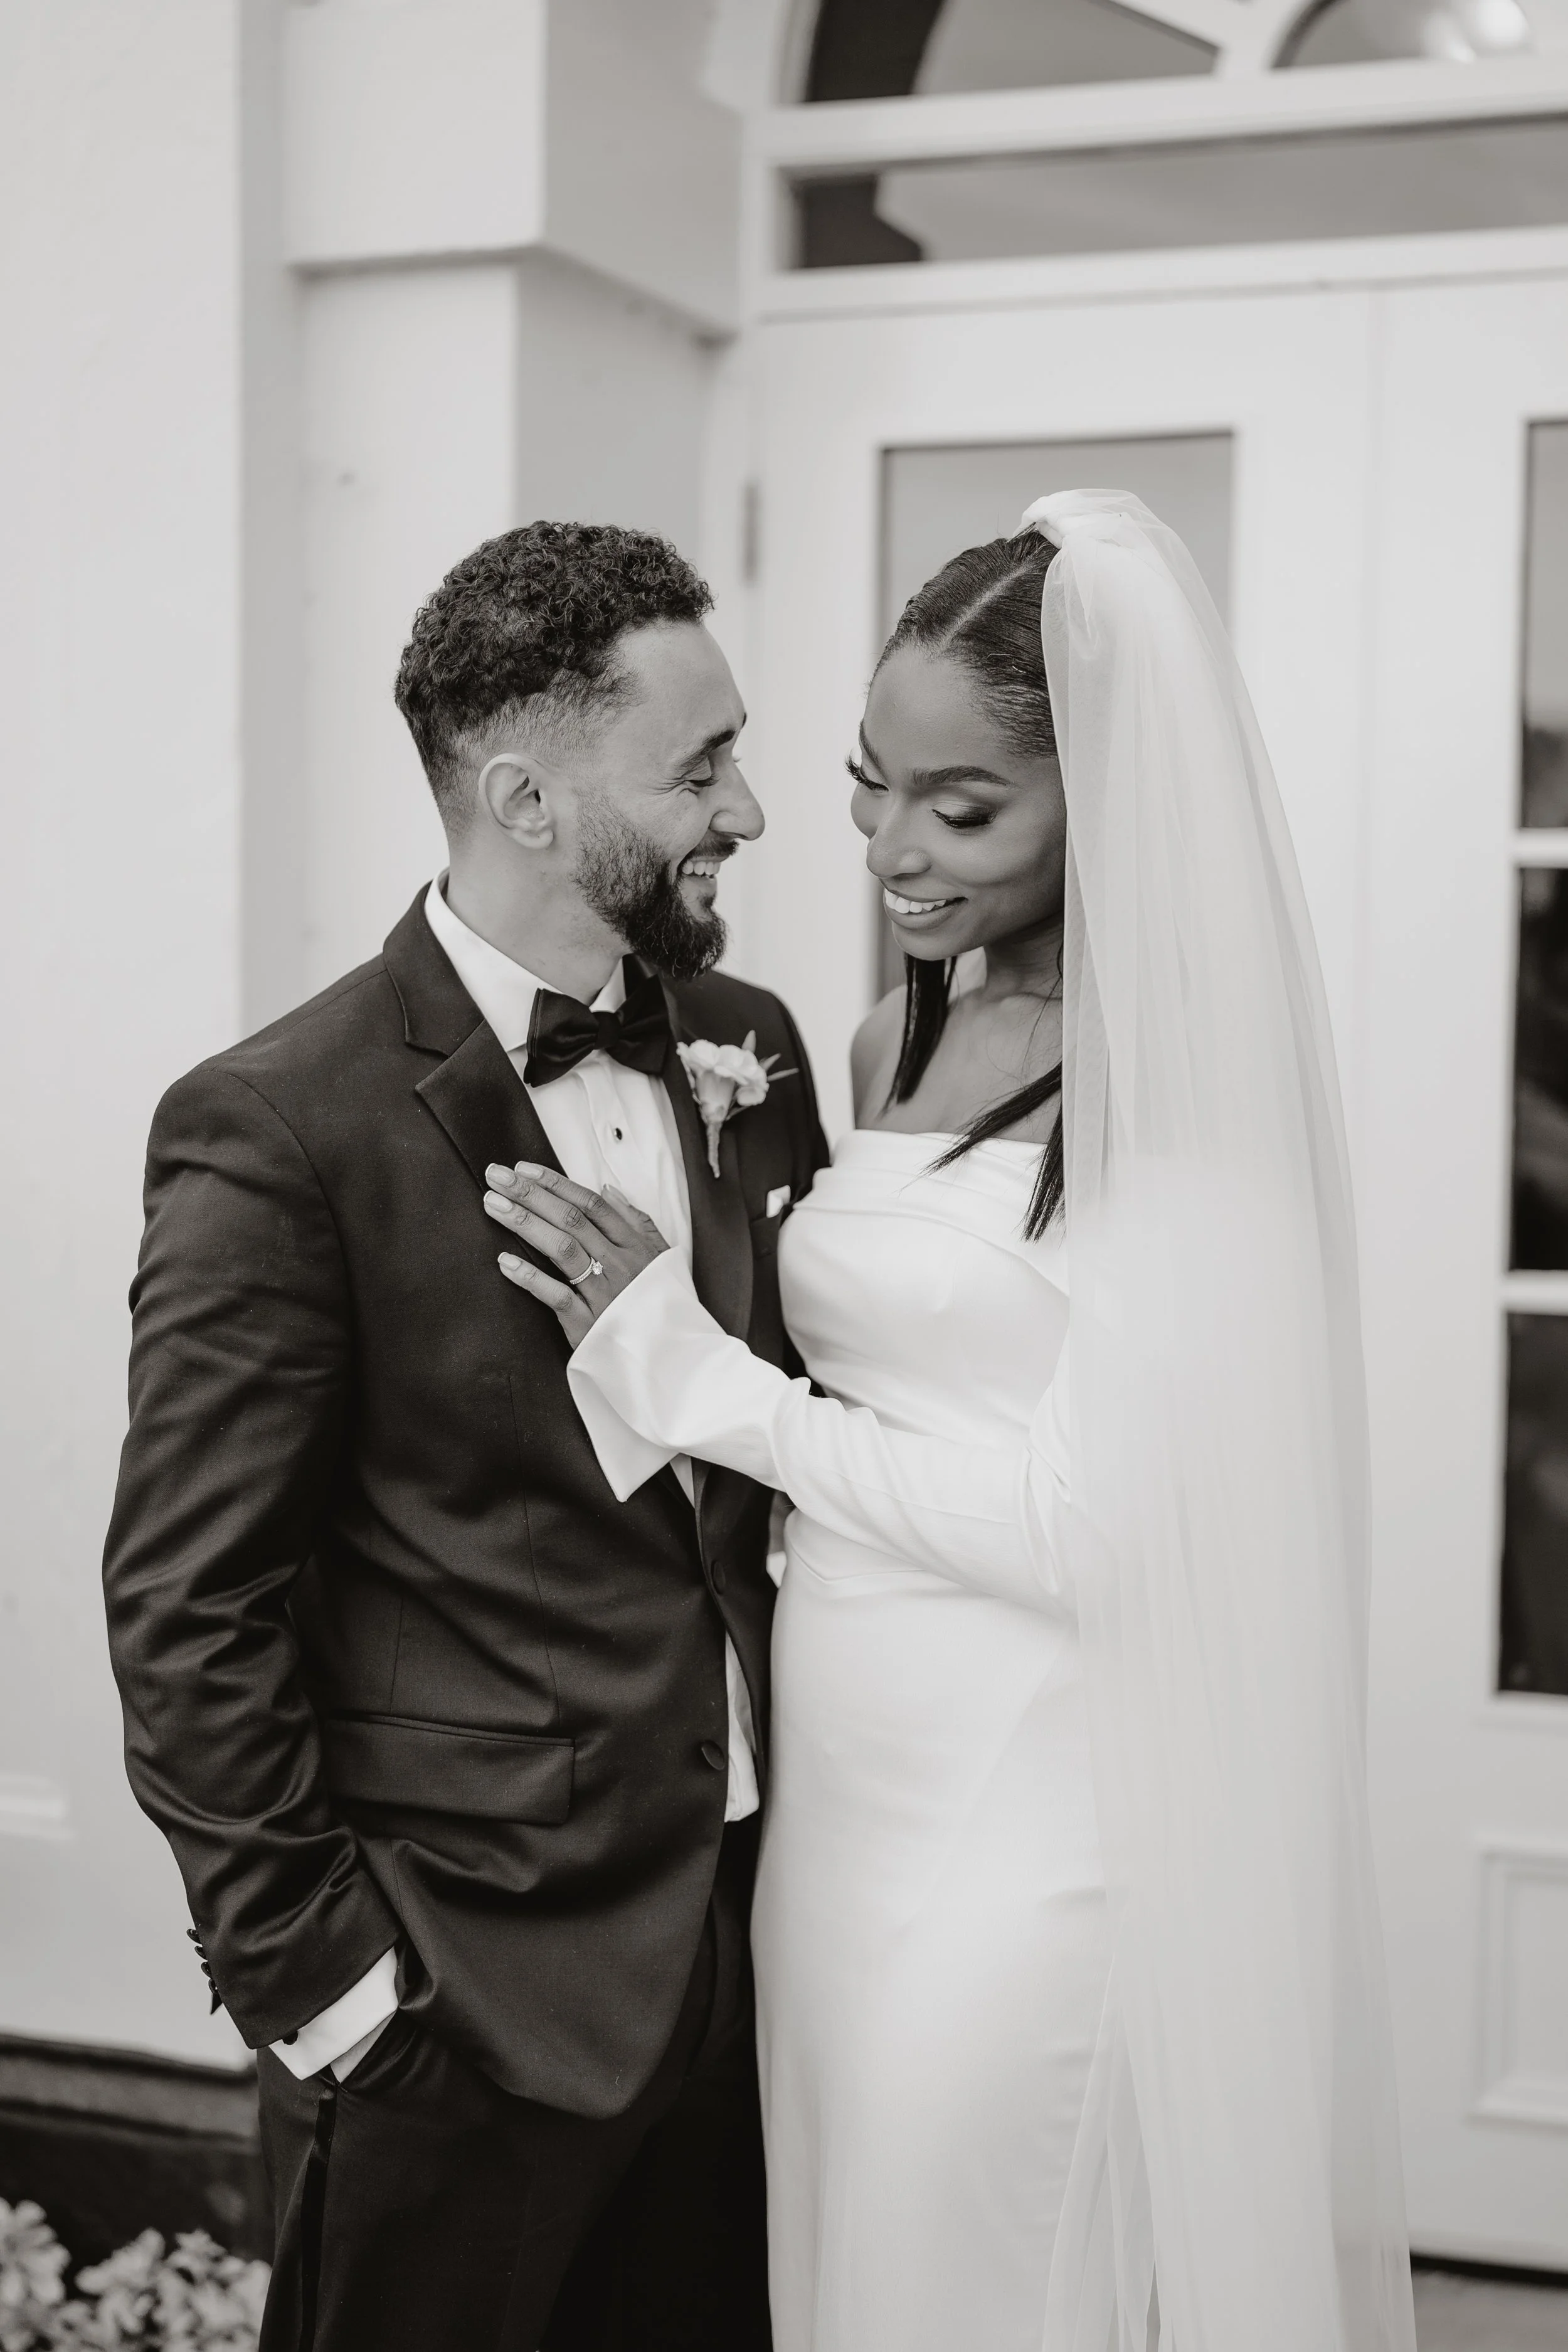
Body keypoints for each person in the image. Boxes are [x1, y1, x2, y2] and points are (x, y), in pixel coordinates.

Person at [484, 493, 1420, 2352]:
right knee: (828, 2280)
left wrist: (706, 1390)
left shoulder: (1177, 1110)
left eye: (962, 808)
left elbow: (1096, 1530)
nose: (889, 852)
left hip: (1033, 1819)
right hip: (836, 1808)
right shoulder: (882, 1036)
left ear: (1109, 803)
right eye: (864, 785)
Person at [102, 521, 825, 2352]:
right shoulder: (280, 1122)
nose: (745, 811)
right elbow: (191, 1606)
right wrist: (332, 1995)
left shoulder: (750, 1044)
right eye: (700, 766)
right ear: (521, 791)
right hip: (465, 1997)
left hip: (755, 1960)